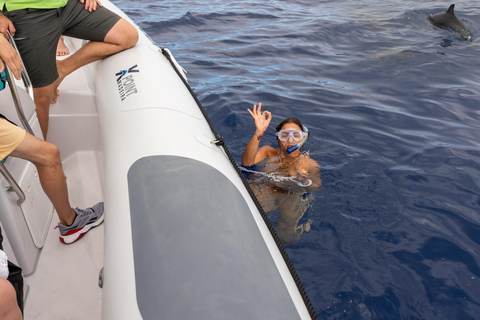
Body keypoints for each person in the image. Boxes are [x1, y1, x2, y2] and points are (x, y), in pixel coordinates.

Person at [0, 0, 139, 139]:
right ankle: (40, 154)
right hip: (25, 12)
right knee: (42, 96)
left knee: (127, 35)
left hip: (66, 5)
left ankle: (62, 69)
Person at [242, 102, 321, 245]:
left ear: (302, 139)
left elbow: (315, 186)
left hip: (291, 193)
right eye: (285, 135)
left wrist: (303, 180)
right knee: (249, 216)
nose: (290, 140)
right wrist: (258, 133)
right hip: (267, 187)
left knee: (286, 232)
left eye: (296, 135)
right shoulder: (268, 151)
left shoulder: (308, 163)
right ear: (278, 138)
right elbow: (247, 163)